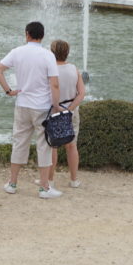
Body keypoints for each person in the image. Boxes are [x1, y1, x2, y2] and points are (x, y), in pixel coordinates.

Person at [0, 21, 62, 199]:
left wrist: (8, 90)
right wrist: (56, 105)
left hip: (22, 102)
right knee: (44, 145)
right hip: (42, 106)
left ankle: (12, 183)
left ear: (27, 34)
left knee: (19, 142)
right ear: (42, 36)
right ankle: (44, 187)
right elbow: (54, 84)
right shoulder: (48, 55)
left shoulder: (17, 52)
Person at [50, 40, 86, 189]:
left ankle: (50, 180)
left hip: (53, 110)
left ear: (52, 52)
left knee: (52, 146)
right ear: (67, 53)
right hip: (71, 111)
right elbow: (82, 93)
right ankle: (74, 180)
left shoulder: (50, 70)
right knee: (72, 146)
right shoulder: (74, 69)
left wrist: (58, 107)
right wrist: (69, 109)